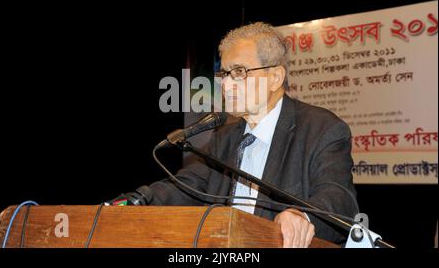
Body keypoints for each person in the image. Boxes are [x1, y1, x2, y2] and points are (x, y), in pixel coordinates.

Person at [148, 22, 358, 247]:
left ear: (275, 78)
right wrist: (134, 200)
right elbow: (184, 187)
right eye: (224, 74)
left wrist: (302, 217)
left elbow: (340, 199)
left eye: (239, 72)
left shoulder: (321, 128)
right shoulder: (225, 137)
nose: (226, 85)